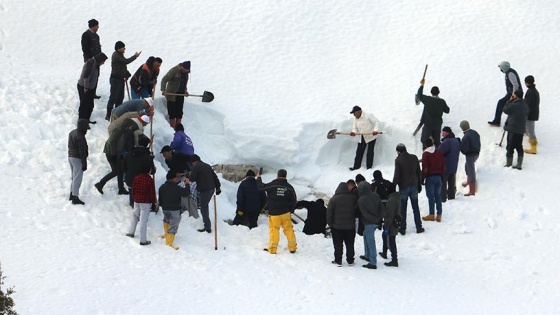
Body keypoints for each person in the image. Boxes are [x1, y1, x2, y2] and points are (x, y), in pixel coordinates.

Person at [95, 116, 149, 195]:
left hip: (116, 153)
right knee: (116, 171)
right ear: (127, 125)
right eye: (130, 126)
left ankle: (121, 189)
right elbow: (112, 142)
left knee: (120, 170)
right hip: (110, 153)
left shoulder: (125, 131)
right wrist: (113, 154)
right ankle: (100, 183)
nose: (131, 127)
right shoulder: (119, 130)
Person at [257, 169, 297, 254]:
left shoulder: (272, 185)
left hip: (274, 213)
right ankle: (292, 248)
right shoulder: (289, 187)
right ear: (286, 176)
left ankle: (273, 249)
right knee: (289, 229)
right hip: (285, 213)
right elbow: (294, 200)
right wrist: (291, 210)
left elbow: (260, 187)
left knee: (274, 230)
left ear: (277, 175)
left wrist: (259, 178)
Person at [392, 143, 424, 235]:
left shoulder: (398, 160)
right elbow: (419, 172)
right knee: (415, 207)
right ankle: (419, 227)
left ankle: (402, 228)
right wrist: (419, 183)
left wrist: (393, 185)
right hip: (414, 186)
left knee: (403, 208)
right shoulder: (414, 158)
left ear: (398, 151)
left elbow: (397, 175)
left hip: (404, 187)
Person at [106, 41, 141, 120]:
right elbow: (126, 62)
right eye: (123, 47)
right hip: (115, 79)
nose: (124, 48)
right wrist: (135, 56)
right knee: (113, 97)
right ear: (119, 48)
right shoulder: (116, 55)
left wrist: (126, 73)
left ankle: (117, 113)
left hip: (120, 79)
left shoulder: (120, 55)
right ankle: (108, 114)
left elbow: (122, 66)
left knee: (120, 97)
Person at [186, 154, 221, 233]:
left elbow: (193, 178)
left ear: (193, 162)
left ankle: (207, 228)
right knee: (204, 206)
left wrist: (188, 176)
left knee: (203, 207)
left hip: (204, 190)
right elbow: (215, 177)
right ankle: (207, 225)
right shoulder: (207, 166)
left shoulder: (196, 166)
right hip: (211, 188)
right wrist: (218, 187)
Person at [326, 182, 358, 266]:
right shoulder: (353, 198)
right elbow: (356, 210)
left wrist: (330, 224)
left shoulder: (333, 199)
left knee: (338, 244)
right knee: (350, 244)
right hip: (350, 227)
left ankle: (338, 260)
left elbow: (329, 213)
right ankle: (350, 260)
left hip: (337, 227)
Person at [159, 170, 190, 250]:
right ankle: (169, 243)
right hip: (175, 209)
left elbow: (160, 200)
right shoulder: (177, 188)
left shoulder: (162, 187)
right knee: (174, 226)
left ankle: (166, 234)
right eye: (176, 177)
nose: (177, 178)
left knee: (166, 220)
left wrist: (163, 206)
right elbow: (186, 193)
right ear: (173, 179)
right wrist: (187, 184)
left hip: (165, 208)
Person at [126, 165, 156, 246]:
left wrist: (134, 198)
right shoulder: (150, 180)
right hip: (146, 202)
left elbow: (133, 189)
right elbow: (152, 192)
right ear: (148, 171)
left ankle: (131, 232)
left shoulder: (137, 178)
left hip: (137, 200)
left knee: (135, 216)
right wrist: (153, 203)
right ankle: (143, 240)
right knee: (143, 221)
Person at [123, 134, 155, 207]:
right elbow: (152, 171)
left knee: (132, 189)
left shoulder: (130, 153)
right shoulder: (147, 156)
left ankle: (132, 202)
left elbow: (124, 166)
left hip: (130, 180)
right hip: (141, 183)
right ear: (147, 145)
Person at [357, 181, 384, 269]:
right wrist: (379, 219)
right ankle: (367, 255)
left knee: (370, 241)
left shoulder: (361, 200)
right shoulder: (376, 195)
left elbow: (365, 214)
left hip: (370, 222)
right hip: (376, 221)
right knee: (365, 235)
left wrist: (375, 220)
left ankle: (373, 262)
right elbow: (382, 208)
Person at [416, 79, 450, 148]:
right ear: (439, 92)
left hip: (428, 124)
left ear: (431, 92)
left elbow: (419, 95)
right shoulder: (442, 102)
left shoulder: (428, 100)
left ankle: (425, 154)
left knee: (424, 140)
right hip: (437, 125)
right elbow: (447, 110)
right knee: (437, 142)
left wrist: (422, 85)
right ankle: (436, 154)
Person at [488, 61, 522, 127]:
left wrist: (513, 95)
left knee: (501, 103)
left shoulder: (510, 73)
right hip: (511, 93)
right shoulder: (509, 72)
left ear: (504, 68)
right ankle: (497, 120)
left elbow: (515, 85)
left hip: (515, 94)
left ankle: (497, 121)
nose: (500, 70)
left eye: (501, 68)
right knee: (503, 104)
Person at [77, 53, 107, 122]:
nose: (103, 63)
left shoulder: (95, 64)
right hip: (83, 87)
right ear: (100, 60)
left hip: (89, 89)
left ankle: (86, 120)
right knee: (84, 105)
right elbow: (86, 77)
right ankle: (82, 122)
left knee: (90, 105)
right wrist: (86, 88)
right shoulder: (91, 63)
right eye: (103, 61)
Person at [421, 138, 445, 222]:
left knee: (431, 196)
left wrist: (422, 178)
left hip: (430, 177)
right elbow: (443, 164)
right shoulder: (439, 152)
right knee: (438, 196)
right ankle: (439, 214)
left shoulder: (426, 153)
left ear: (425, 145)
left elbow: (425, 167)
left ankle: (431, 214)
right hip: (439, 177)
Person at [348, 106, 380, 170]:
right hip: (362, 136)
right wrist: (353, 132)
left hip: (371, 136)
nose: (354, 115)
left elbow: (376, 122)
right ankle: (356, 167)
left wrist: (375, 130)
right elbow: (354, 128)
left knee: (370, 152)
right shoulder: (355, 119)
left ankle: (369, 167)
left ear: (359, 112)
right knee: (359, 152)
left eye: (354, 113)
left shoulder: (368, 115)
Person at [503, 90, 529, 170]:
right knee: (519, 146)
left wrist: (509, 100)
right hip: (521, 129)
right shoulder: (525, 105)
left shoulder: (513, 105)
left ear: (516, 96)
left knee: (510, 146)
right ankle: (519, 164)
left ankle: (508, 164)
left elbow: (505, 110)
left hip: (512, 129)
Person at [161, 61, 191, 128]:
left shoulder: (186, 73)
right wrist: (163, 89)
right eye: (185, 69)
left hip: (181, 94)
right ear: (181, 67)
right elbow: (164, 79)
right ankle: (173, 128)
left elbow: (184, 83)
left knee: (179, 112)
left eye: (187, 70)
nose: (186, 71)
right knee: (172, 113)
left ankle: (178, 127)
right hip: (172, 94)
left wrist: (185, 91)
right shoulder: (174, 71)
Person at [68, 119, 89, 205]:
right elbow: (82, 151)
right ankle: (75, 197)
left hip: (70, 157)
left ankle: (71, 194)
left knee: (74, 176)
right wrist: (84, 163)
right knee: (77, 178)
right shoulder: (80, 136)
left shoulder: (72, 132)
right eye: (86, 127)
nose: (87, 129)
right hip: (77, 158)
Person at [379, 182, 400, 267]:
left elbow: (389, 214)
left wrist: (387, 226)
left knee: (391, 241)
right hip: (396, 222)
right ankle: (385, 252)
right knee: (387, 238)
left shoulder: (391, 200)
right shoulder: (397, 198)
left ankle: (394, 259)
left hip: (391, 224)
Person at [459, 120, 481, 196]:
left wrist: (460, 145)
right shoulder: (475, 132)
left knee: (471, 171)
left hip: (470, 155)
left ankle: (472, 190)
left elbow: (465, 150)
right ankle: (468, 181)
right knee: (467, 166)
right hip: (477, 153)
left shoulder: (466, 137)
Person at [439, 126, 460, 202]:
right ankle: (451, 197)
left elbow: (440, 152)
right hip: (454, 165)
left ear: (448, 133)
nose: (442, 134)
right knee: (451, 182)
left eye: (444, 132)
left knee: (443, 183)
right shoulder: (456, 141)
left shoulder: (446, 142)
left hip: (446, 166)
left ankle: (442, 198)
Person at [524, 75, 540, 154]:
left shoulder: (531, 92)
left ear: (527, 83)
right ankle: (533, 141)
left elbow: (529, 105)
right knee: (530, 129)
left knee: (531, 130)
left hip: (531, 114)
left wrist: (526, 114)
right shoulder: (533, 90)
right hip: (533, 113)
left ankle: (533, 148)